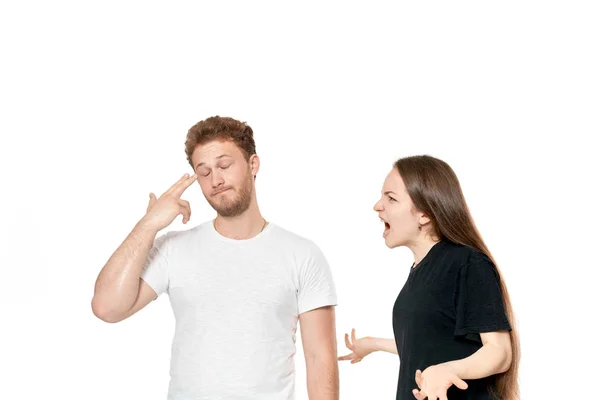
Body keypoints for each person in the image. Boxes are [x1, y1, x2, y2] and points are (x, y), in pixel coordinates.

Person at [92, 116, 339, 399]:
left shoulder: (302, 255)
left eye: (224, 165)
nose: (216, 180)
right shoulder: (174, 248)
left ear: (253, 164)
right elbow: (106, 307)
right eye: (204, 172)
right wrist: (148, 224)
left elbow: (320, 362)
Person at [339, 155, 520, 400]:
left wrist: (449, 370)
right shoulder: (420, 269)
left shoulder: (467, 263)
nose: (378, 206)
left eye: (391, 198)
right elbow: (428, 346)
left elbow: (499, 353)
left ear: (424, 215)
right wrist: (372, 344)